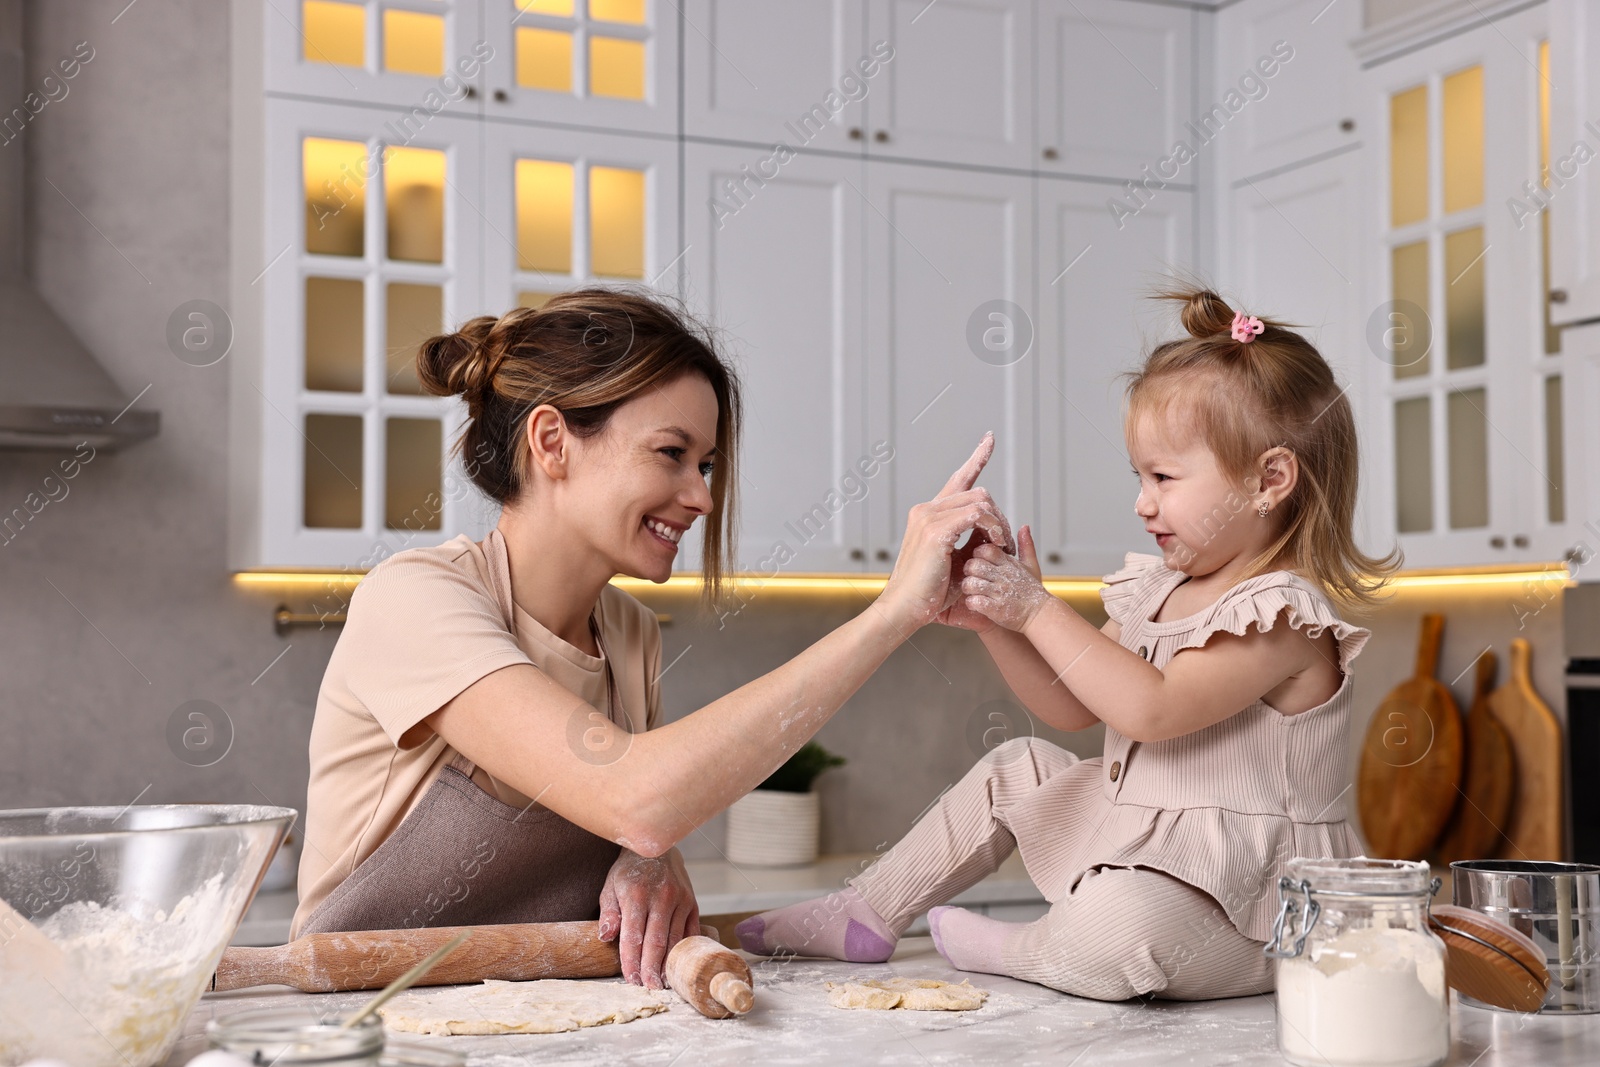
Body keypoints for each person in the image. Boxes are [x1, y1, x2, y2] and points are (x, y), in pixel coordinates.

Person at [291, 287, 1013, 991]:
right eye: (671, 453)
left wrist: (649, 862)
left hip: (532, 1021)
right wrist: (891, 615)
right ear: (552, 443)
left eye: (704, 463)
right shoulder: (415, 599)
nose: (702, 494)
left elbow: (639, 817)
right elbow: (639, 796)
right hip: (358, 1019)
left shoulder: (630, 634)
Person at [736, 287, 1402, 1001]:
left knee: (1124, 925)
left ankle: (1021, 948)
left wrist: (1036, 608)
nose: (1143, 501)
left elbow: (1152, 709)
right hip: (1155, 852)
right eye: (1138, 476)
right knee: (1014, 763)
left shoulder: (1280, 614)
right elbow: (1070, 706)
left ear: (1270, 480)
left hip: (1260, 908)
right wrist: (1000, 622)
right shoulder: (1159, 590)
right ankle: (865, 910)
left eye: (1165, 477)